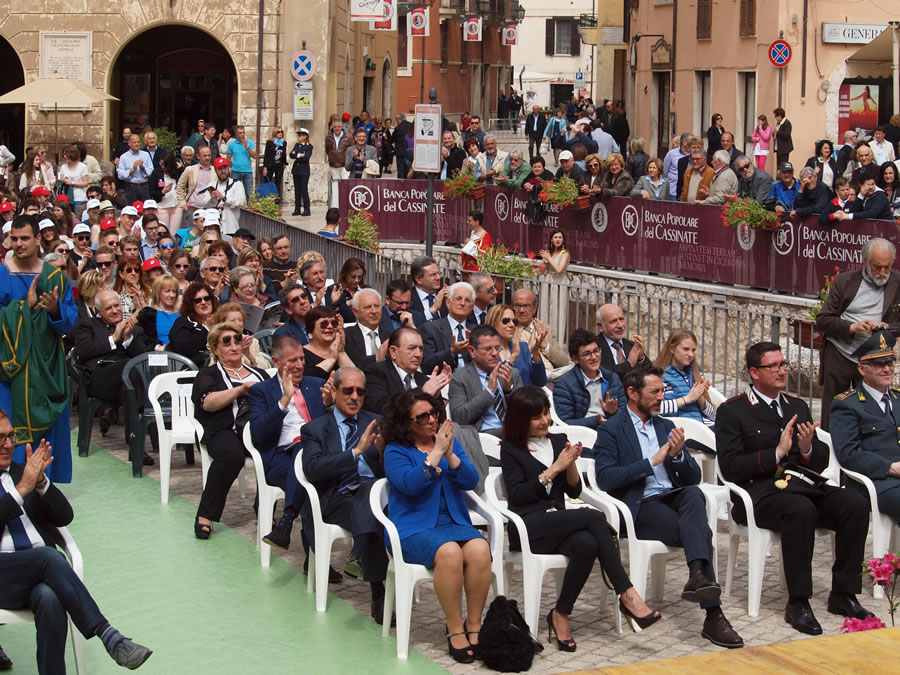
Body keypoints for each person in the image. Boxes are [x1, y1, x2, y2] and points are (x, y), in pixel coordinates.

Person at [715, 341, 872, 635]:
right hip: (759, 494)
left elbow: (819, 463)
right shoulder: (733, 411)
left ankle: (844, 593)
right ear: (754, 372)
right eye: (773, 366)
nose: (781, 371)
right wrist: (776, 453)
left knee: (854, 504)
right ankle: (798, 601)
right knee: (800, 510)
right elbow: (731, 467)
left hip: (802, 487)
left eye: (783, 364)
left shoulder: (796, 406)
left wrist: (808, 448)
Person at [594, 367, 743, 647]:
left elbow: (692, 477)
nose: (662, 397)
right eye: (655, 392)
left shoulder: (665, 426)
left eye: (663, 391)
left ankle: (698, 578)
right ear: (632, 393)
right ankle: (713, 614)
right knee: (700, 532)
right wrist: (651, 463)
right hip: (640, 505)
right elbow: (605, 478)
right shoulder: (611, 429)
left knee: (694, 494)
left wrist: (676, 457)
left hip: (672, 497)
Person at [500, 387, 660, 647]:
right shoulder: (510, 450)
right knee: (594, 517)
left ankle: (560, 614)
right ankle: (627, 593)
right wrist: (555, 468)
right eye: (536, 417)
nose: (545, 421)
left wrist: (571, 462)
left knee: (587, 543)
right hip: (529, 527)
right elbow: (519, 495)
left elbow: (573, 490)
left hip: (557, 522)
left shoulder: (557, 440)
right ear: (520, 420)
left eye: (546, 413)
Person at [0, 410, 153, 672]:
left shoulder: (22, 473)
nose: (8, 444)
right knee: (48, 557)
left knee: (49, 599)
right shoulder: (22, 482)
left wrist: (41, 483)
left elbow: (64, 517)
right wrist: (21, 490)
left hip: (38, 575)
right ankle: (109, 636)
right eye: (0, 438)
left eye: (11, 436)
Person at [381, 390, 491, 662]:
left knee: (480, 548)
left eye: (433, 413)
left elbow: (471, 481)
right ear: (406, 423)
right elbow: (410, 484)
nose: (431, 420)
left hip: (453, 521)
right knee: (449, 552)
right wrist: (437, 453)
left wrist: (451, 455)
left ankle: (474, 624)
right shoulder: (395, 450)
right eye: (422, 417)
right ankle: (454, 628)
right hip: (412, 528)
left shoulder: (450, 443)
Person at [300, 366, 392, 623]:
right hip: (336, 495)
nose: (354, 397)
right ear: (335, 391)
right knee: (373, 509)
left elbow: (393, 468)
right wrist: (354, 453)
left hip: (374, 493)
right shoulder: (315, 429)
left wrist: (382, 452)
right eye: (348, 390)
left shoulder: (378, 423)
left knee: (371, 492)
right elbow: (313, 469)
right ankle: (378, 592)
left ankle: (358, 553)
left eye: (360, 392)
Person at [0, 215, 78, 483]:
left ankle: (45, 488)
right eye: (14, 238)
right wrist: (25, 307)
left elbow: (69, 321)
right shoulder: (2, 273)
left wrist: (55, 310)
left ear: (37, 239)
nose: (18, 244)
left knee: (48, 435)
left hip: (47, 365)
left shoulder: (54, 276)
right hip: (11, 369)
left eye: (24, 238)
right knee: (8, 431)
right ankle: (10, 489)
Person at [248, 335, 333, 557]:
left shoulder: (316, 385)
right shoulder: (261, 390)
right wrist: (284, 401)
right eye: (292, 360)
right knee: (309, 475)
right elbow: (258, 434)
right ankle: (314, 560)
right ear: (276, 362)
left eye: (302, 359)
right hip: (280, 458)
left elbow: (329, 427)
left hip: (316, 454)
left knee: (308, 457)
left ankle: (288, 520)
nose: (299, 365)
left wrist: (329, 404)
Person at [192, 321, 269, 538]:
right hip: (224, 428)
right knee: (231, 455)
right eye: (226, 342)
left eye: (237, 340)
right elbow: (208, 403)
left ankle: (265, 509)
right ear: (215, 349)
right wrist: (240, 390)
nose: (234, 346)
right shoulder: (208, 374)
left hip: (257, 428)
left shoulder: (258, 373)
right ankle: (206, 514)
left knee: (278, 452)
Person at [816, 238, 900, 429]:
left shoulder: (897, 282)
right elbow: (823, 319)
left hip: (874, 358)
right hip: (840, 353)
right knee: (834, 410)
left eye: (887, 267)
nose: (883, 272)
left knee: (872, 413)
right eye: (877, 267)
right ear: (865, 261)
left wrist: (889, 327)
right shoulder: (845, 281)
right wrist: (853, 327)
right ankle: (829, 445)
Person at [830, 330, 900, 522]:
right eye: (879, 364)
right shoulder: (847, 404)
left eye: (890, 363)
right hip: (877, 482)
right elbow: (848, 453)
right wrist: (890, 467)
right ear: (862, 369)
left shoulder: (898, 399)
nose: (887, 369)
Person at [70, 289, 148, 436]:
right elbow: (83, 351)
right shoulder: (87, 325)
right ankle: (143, 426)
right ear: (99, 311)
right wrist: (113, 339)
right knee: (129, 366)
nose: (115, 310)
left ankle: (134, 440)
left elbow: (142, 358)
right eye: (108, 308)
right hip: (98, 379)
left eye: (116, 306)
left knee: (130, 385)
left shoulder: (134, 329)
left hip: (125, 380)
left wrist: (128, 338)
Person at [448, 325, 523, 435]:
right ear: (472, 351)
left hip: (514, 432)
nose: (495, 353)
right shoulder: (459, 379)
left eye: (497, 348)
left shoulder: (512, 373)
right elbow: (459, 418)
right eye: (488, 349)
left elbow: (524, 412)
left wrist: (508, 391)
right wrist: (489, 392)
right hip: (485, 436)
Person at [363, 327, 453, 414]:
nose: (418, 354)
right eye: (412, 348)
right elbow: (378, 408)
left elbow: (441, 417)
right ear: (393, 352)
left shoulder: (425, 380)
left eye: (421, 349)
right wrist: (422, 394)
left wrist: (435, 395)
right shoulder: (376, 372)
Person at [553, 329, 625, 429]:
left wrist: (612, 412)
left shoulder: (612, 378)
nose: (594, 357)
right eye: (587, 354)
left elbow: (625, 414)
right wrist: (596, 421)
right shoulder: (564, 384)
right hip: (583, 434)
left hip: (612, 430)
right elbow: (565, 422)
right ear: (575, 359)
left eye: (596, 351)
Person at [653, 329, 715, 425]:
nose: (691, 354)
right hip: (681, 427)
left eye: (693, 350)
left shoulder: (696, 373)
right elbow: (654, 409)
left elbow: (711, 414)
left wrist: (700, 396)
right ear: (672, 349)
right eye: (686, 349)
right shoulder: (657, 376)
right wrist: (687, 399)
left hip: (704, 425)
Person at [420, 281, 477, 373]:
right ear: (448, 302)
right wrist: (451, 352)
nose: (462, 303)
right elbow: (426, 364)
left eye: (467, 300)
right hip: (444, 379)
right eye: (458, 298)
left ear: (472, 307)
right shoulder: (430, 329)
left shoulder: (478, 331)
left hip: (474, 379)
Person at [486, 304, 547, 387]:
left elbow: (541, 382)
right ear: (493, 323)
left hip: (524, 394)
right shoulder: (486, 350)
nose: (512, 325)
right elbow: (495, 381)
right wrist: (514, 355)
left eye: (514, 321)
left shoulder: (523, 347)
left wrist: (535, 352)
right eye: (505, 321)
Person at [512, 288, 569, 375]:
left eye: (526, 306)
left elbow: (564, 362)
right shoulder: (510, 330)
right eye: (517, 306)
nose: (521, 310)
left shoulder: (546, 329)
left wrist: (545, 345)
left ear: (534, 308)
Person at [169, 281, 218, 366]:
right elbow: (185, 349)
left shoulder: (220, 320)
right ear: (191, 304)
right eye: (198, 300)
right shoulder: (182, 322)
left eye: (207, 298)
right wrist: (206, 328)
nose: (203, 302)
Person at [209, 303, 270, 369]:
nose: (238, 323)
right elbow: (213, 367)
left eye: (240, 320)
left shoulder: (252, 342)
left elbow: (266, 368)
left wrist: (249, 355)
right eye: (233, 320)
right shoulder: (219, 341)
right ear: (223, 323)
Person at [596, 304, 650, 377]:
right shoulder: (594, 347)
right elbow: (601, 374)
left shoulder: (632, 345)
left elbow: (652, 374)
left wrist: (641, 358)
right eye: (613, 321)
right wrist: (629, 364)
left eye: (621, 319)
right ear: (600, 326)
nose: (620, 325)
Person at [343, 288, 391, 369]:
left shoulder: (390, 337)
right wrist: (376, 358)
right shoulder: (346, 336)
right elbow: (351, 363)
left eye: (377, 306)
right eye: (368, 307)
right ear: (355, 312)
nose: (374, 311)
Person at [302, 306, 354, 379]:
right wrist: (331, 359)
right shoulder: (300, 354)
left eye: (334, 323)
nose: (330, 326)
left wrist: (341, 352)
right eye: (324, 324)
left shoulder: (347, 349)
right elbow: (307, 379)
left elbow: (356, 377)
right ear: (311, 328)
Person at [136, 273, 180, 347]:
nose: (172, 295)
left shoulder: (182, 314)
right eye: (167, 291)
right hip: (158, 352)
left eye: (174, 291)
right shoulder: (149, 315)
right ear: (158, 292)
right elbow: (144, 341)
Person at [324, 257, 367, 323]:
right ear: (345, 274)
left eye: (359, 277)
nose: (356, 280)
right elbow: (329, 315)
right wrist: (346, 304)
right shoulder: (333, 290)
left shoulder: (366, 290)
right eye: (353, 276)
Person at [116, 134, 153, 203]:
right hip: (131, 187)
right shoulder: (124, 157)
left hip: (144, 186)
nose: (137, 144)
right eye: (135, 142)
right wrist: (132, 170)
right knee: (131, 207)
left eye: (138, 142)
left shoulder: (145, 155)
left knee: (145, 207)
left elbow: (151, 171)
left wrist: (143, 168)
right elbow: (120, 175)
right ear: (129, 143)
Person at [409, 255, 448, 320]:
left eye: (439, 273)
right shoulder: (408, 299)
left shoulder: (446, 295)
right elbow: (413, 322)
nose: (438, 278)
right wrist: (433, 309)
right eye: (433, 275)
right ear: (419, 279)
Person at [226, 125, 257, 199]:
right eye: (240, 133)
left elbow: (255, 156)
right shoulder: (232, 144)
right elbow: (228, 158)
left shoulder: (250, 143)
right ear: (236, 134)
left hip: (247, 172)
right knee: (234, 193)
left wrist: (247, 147)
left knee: (249, 194)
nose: (242, 135)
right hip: (235, 172)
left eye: (243, 132)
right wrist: (233, 166)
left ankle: (250, 206)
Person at [113, 255, 149, 320]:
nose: (133, 273)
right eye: (129, 270)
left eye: (136, 270)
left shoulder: (149, 293)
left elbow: (152, 319)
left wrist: (142, 301)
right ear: (121, 274)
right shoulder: (115, 296)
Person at [290, 128, 313, 216]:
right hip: (296, 170)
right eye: (298, 135)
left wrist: (297, 155)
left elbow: (306, 157)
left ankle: (307, 209)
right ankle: (297, 208)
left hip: (304, 170)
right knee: (297, 190)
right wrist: (300, 155)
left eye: (300, 135)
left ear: (305, 136)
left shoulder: (309, 146)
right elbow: (291, 155)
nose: (298, 137)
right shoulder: (296, 145)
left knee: (304, 189)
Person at [262, 126, 287, 195]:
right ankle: (267, 198)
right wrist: (265, 167)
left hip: (279, 165)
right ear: (275, 133)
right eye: (278, 132)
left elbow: (284, 153)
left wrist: (284, 163)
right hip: (270, 165)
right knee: (268, 183)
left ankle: (277, 199)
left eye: (281, 132)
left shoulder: (283, 143)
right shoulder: (270, 142)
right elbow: (266, 155)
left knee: (278, 184)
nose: (280, 133)